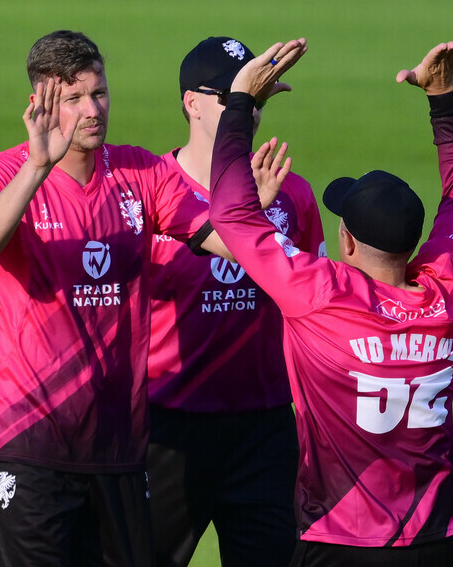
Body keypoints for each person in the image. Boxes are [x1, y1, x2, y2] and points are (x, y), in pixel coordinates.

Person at [0, 30, 231, 567]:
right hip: (26, 442)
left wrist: (250, 213)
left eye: (99, 93)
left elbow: (223, 240)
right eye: (74, 98)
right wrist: (35, 168)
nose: (92, 109)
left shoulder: (140, 172)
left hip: (118, 446)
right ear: (39, 102)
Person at [207, 40, 453, 567]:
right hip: (434, 537)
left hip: (339, 536)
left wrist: (240, 102)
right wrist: (443, 97)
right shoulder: (447, 291)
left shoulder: (319, 294)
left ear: (349, 242)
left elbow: (230, 211)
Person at [145, 36, 325, 567]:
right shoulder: (147, 191)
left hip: (265, 429)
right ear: (191, 103)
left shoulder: (294, 195)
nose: (248, 109)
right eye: (234, 96)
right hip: (168, 426)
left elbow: (312, 311)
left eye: (257, 98)